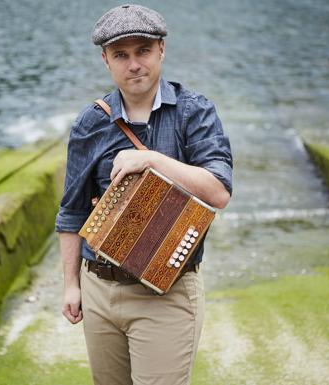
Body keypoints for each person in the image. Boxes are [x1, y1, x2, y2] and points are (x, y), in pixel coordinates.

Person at [55, 4, 233, 385]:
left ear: (161, 50)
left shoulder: (194, 112)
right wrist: (72, 285)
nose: (134, 64)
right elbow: (71, 213)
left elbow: (218, 192)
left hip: (167, 293)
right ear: (106, 60)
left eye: (143, 51)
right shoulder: (91, 122)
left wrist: (150, 159)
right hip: (98, 288)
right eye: (121, 55)